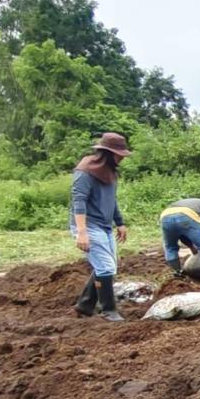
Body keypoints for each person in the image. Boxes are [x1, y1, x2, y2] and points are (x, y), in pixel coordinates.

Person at [70, 132, 132, 322]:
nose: (122, 157)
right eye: (119, 153)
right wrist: (82, 232)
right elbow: (78, 201)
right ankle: (108, 310)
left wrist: (119, 222)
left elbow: (111, 200)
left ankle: (85, 305)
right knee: (105, 267)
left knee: (107, 266)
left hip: (104, 226)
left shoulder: (110, 172)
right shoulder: (85, 172)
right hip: (88, 225)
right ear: (108, 153)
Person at [160, 198, 200, 283]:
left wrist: (191, 246)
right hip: (187, 215)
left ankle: (177, 278)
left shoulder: (192, 204)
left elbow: (181, 233)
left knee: (170, 248)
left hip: (165, 217)